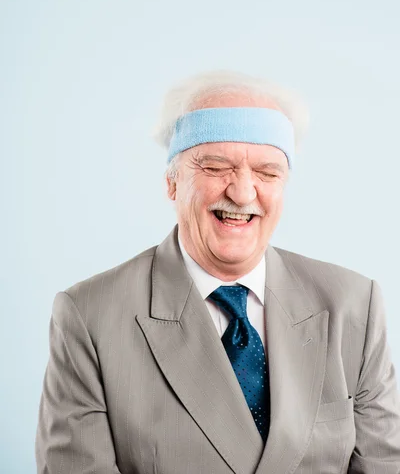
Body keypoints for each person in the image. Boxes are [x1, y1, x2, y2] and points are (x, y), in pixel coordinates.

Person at [35, 70, 400, 473]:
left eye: (267, 172)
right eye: (215, 167)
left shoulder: (354, 306)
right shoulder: (89, 317)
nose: (242, 192)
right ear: (172, 183)